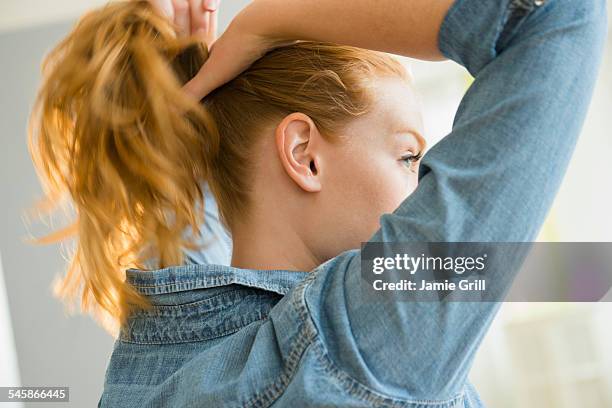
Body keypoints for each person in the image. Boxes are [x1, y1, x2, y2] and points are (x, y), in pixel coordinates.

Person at [26, 0, 607, 406]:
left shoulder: (168, 357)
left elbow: (508, 271)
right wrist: (265, 20)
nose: (422, 190)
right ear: (303, 154)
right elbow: (556, 10)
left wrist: (194, 84)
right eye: (409, 157)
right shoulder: (361, 341)